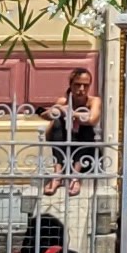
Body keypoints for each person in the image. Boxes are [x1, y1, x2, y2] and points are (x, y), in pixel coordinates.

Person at [40, 58, 104, 197]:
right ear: (71, 85)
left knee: (85, 122)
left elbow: (93, 119)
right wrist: (57, 110)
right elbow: (47, 118)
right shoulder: (63, 101)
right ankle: (57, 175)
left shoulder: (94, 101)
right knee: (58, 122)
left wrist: (71, 113)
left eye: (85, 86)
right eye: (77, 85)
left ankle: (76, 177)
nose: (81, 89)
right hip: (64, 150)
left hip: (87, 155)